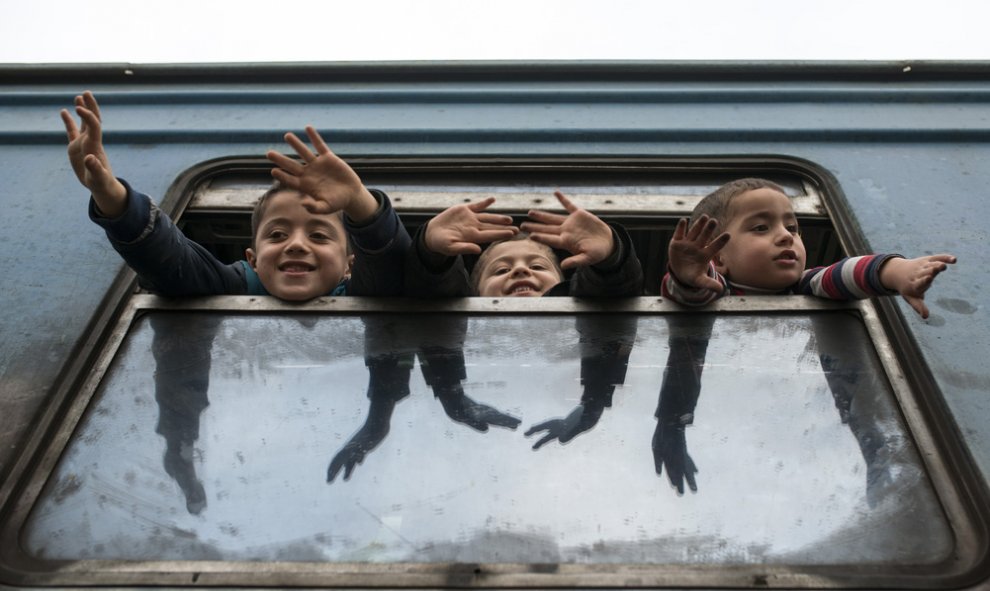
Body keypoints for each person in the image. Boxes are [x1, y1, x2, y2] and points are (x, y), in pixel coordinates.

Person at [62, 91, 410, 300]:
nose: (296, 244)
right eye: (277, 235)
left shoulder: (363, 292)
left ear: (350, 264)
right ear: (253, 259)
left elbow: (392, 266)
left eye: (319, 235)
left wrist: (360, 203)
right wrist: (111, 196)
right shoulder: (235, 286)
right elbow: (171, 260)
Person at [662, 178, 956, 318]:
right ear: (719, 257)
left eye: (791, 228)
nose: (785, 236)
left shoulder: (805, 285)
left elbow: (846, 273)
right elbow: (692, 295)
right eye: (761, 228)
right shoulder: (717, 288)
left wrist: (896, 271)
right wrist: (687, 276)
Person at [405, 190, 643, 297]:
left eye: (538, 266)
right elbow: (438, 291)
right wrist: (430, 254)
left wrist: (611, 257)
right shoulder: (465, 329)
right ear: (475, 294)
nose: (521, 270)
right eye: (501, 270)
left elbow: (611, 292)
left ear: (565, 284)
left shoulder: (580, 314)